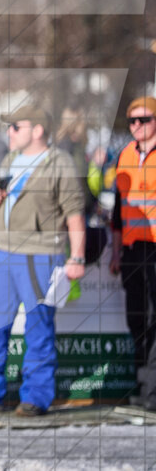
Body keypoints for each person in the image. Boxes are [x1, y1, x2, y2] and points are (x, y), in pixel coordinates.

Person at [0, 105, 86, 416]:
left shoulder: (60, 163)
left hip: (41, 253)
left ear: (38, 129)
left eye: (16, 126)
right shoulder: (9, 160)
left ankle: (36, 396)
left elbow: (74, 214)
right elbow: (0, 193)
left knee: (38, 327)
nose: (10, 132)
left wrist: (77, 256)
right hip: (4, 251)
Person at [110, 96, 156, 412]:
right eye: (133, 121)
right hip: (131, 249)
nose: (137, 126)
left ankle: (151, 391)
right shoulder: (125, 154)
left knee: (154, 319)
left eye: (145, 119)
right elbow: (118, 210)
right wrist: (115, 251)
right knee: (136, 317)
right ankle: (142, 384)